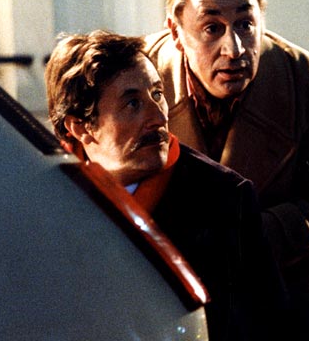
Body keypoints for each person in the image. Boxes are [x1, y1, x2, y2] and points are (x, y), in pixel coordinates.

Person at [143, 0, 309, 340]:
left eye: (246, 24)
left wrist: (239, 241)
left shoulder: (305, 82)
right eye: (211, 28)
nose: (234, 49)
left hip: (285, 313)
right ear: (175, 32)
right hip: (177, 314)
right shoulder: (139, 79)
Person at [44, 30, 290, 341]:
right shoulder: (49, 198)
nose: (158, 116)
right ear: (81, 127)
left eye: (157, 94)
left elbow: (267, 328)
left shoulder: (225, 199)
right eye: (133, 103)